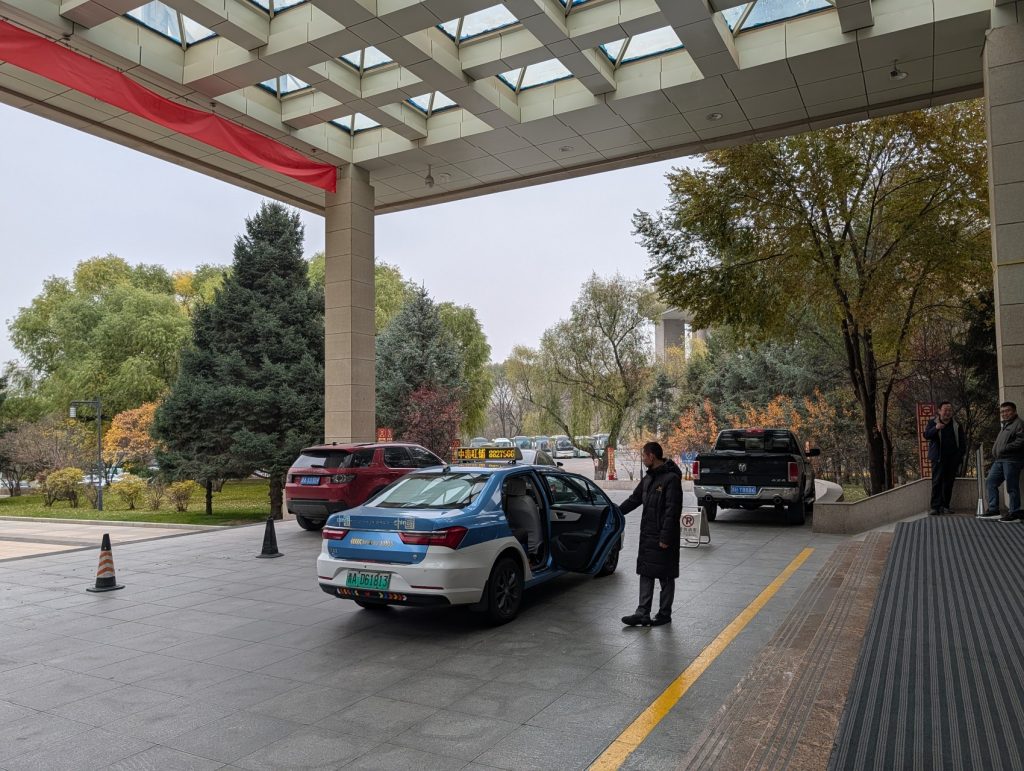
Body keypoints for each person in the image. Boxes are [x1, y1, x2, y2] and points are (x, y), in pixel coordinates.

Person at [619, 441, 682, 627]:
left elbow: (673, 511)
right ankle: (642, 613)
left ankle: (664, 614)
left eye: (643, 456)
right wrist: (616, 512)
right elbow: (635, 499)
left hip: (664, 537)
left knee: (665, 575)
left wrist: (665, 537)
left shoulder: (671, 479)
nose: (643, 459)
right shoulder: (648, 479)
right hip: (648, 535)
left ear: (651, 456)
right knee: (646, 572)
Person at [981, 401, 1024, 522]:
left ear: (1014, 411)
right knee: (990, 482)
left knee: (1012, 487)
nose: (1004, 413)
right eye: (1002, 412)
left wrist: (1005, 448)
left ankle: (1014, 513)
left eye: (1007, 411)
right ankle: (994, 510)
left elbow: (1021, 441)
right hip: (1000, 460)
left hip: (1012, 460)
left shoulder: (1019, 424)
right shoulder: (1005, 425)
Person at [923, 401, 966, 515]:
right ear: (939, 411)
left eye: (949, 410)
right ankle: (935, 507)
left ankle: (945, 505)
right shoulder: (933, 422)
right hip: (938, 458)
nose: (947, 412)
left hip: (952, 459)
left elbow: (962, 442)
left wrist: (959, 455)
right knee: (937, 481)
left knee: (949, 482)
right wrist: (936, 428)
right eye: (945, 410)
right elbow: (926, 435)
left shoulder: (956, 424)